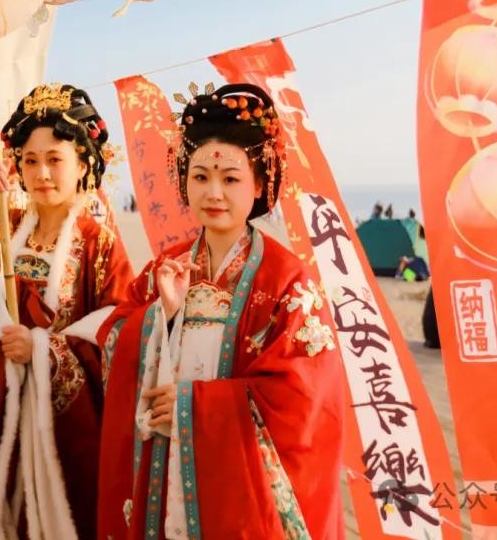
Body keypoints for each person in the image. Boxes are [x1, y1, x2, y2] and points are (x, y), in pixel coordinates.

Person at [97, 83, 348, 539]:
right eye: (200, 177)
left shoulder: (285, 280)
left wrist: (194, 407)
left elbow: (306, 399)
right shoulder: (166, 266)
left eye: (230, 179)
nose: (213, 192)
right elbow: (113, 338)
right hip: (168, 466)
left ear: (259, 184)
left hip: (238, 490)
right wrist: (161, 316)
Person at [0, 83, 133, 540]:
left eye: (55, 159)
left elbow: (119, 330)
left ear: (83, 164)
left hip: (63, 426)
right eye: (31, 160)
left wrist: (44, 349)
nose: (42, 173)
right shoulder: (3, 225)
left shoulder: (99, 244)